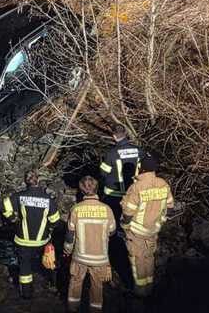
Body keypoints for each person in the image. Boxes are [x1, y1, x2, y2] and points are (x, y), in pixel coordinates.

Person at [120, 153, 175, 297]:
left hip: (136, 231)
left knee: (137, 259)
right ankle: (149, 285)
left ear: (141, 168)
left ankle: (140, 291)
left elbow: (128, 212)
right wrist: (161, 220)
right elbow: (170, 207)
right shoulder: (163, 184)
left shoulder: (136, 187)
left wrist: (125, 225)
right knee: (149, 257)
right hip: (154, 230)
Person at [1, 170, 60, 300]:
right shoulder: (47, 199)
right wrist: (48, 228)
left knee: (25, 267)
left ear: (25, 181)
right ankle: (52, 286)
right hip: (42, 241)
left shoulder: (20, 196)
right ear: (38, 181)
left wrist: (12, 219)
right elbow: (55, 220)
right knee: (48, 263)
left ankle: (26, 294)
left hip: (23, 241)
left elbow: (5, 204)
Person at [64, 176, 115, 312]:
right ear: (97, 189)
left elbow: (70, 234)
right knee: (97, 287)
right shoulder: (107, 210)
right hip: (100, 259)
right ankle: (95, 310)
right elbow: (112, 231)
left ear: (81, 191)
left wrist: (67, 250)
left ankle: (72, 307)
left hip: (80, 257)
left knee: (75, 283)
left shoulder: (76, 209)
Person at [100, 124, 142, 228]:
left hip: (114, 195)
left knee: (114, 222)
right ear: (126, 134)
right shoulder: (139, 150)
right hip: (134, 194)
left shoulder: (111, 153)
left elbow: (103, 174)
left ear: (114, 136)